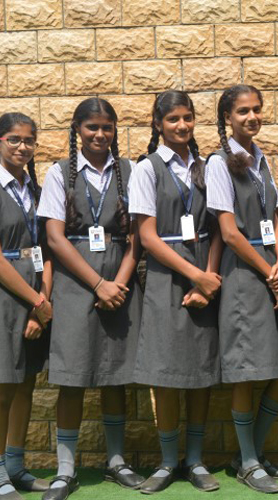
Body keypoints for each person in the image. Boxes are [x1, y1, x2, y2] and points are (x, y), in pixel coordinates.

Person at [38, 98, 144, 500]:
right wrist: (98, 284)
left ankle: (116, 462)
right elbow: (54, 238)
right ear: (77, 130)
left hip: (121, 281)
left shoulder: (129, 172)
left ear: (115, 130)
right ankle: (65, 469)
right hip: (75, 284)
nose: (100, 135)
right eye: (92, 127)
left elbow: (137, 236)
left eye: (107, 127)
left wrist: (118, 283)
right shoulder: (59, 173)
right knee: (73, 376)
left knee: (116, 374)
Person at [206, 84, 278, 494]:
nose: (252, 117)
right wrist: (267, 270)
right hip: (244, 276)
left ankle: (252, 452)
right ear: (228, 117)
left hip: (269, 272)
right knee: (245, 371)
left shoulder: (260, 159)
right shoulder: (218, 163)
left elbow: (275, 218)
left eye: (257, 109)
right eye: (243, 111)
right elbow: (229, 232)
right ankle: (247, 462)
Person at [130, 90, 222, 493]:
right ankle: (168, 461)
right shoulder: (146, 169)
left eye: (188, 117)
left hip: (205, 270)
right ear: (158, 124)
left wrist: (209, 279)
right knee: (165, 372)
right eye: (173, 119)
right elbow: (148, 237)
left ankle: (195, 460)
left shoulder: (206, 167)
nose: (182, 125)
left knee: (201, 368)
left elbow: (219, 228)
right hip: (166, 276)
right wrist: (195, 275)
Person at [0, 112, 52, 500]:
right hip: (7, 297)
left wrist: (42, 303)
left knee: (25, 384)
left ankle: (16, 466)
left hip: (35, 298)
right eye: (14, 140)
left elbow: (45, 248)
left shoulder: (33, 188)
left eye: (29, 140)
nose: (23, 147)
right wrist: (36, 300)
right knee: (3, 387)